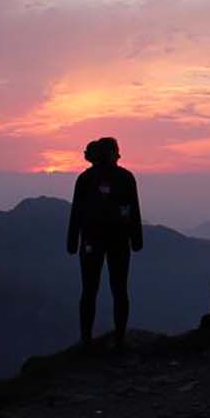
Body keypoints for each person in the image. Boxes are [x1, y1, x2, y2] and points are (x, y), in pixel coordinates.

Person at [65, 137, 142, 350]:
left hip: (91, 240)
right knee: (119, 289)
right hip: (118, 240)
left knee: (89, 290)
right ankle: (119, 338)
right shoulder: (125, 178)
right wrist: (136, 239)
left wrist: (72, 240)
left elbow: (77, 212)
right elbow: (133, 209)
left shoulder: (85, 179)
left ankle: (86, 339)